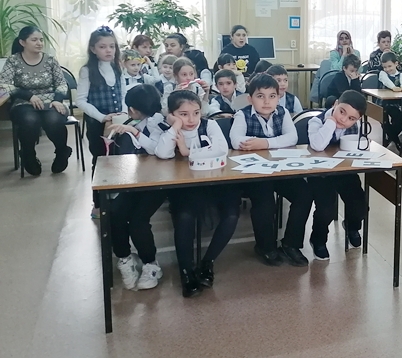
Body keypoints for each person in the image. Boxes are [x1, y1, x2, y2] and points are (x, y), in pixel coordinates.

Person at [155, 90, 236, 298]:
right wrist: (175, 126)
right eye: (183, 114)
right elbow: (162, 153)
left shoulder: (210, 125)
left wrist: (187, 151)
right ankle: (186, 271)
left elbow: (221, 150)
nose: (191, 120)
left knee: (231, 215)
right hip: (185, 185)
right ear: (171, 114)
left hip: (215, 182)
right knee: (185, 217)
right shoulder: (168, 129)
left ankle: (207, 262)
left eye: (196, 113)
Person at [230, 73, 313, 267]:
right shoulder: (242, 115)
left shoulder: (283, 113)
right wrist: (275, 142)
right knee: (265, 202)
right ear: (250, 99)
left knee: (305, 194)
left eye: (272, 96)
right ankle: (265, 247)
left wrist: (264, 143)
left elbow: (292, 138)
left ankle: (291, 244)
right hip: (255, 173)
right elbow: (236, 140)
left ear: (278, 97)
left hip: (281, 170)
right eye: (260, 96)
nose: (267, 101)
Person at [104, 84, 168, 290]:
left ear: (132, 109)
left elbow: (157, 150)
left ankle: (151, 264)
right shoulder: (135, 122)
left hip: (159, 180)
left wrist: (134, 132)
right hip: (135, 179)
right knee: (115, 213)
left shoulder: (160, 122)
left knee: (138, 220)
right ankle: (124, 258)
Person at [0, 26, 71, 175]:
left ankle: (62, 152)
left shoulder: (50, 60)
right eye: (34, 40)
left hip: (51, 101)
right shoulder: (13, 60)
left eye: (41, 40)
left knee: (54, 120)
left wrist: (58, 100)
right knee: (29, 121)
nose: (39, 43)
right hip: (23, 102)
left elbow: (61, 83)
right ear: (22, 42)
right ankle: (28, 155)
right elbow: (4, 84)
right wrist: (29, 96)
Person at [307, 90, 367, 260]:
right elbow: (318, 145)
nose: (344, 119)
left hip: (343, 172)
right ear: (335, 104)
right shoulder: (316, 121)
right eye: (341, 112)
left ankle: (351, 226)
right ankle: (318, 239)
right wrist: (330, 123)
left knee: (360, 204)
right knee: (326, 208)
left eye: (351, 118)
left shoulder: (355, 126)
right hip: (319, 173)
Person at [76, 26, 125, 175]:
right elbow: (80, 100)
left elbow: (123, 94)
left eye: (112, 46)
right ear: (93, 49)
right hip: (97, 123)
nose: (108, 50)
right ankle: (99, 189)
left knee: (119, 156)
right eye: (102, 47)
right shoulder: (87, 70)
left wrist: (123, 112)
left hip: (118, 121)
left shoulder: (118, 67)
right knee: (100, 158)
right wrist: (102, 117)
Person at [378, 51, 402, 152]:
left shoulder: (400, 75)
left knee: (400, 120)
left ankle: (390, 138)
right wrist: (394, 87)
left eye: (390, 66)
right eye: (385, 67)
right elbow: (387, 82)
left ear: (396, 64)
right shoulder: (382, 74)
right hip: (383, 103)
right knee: (383, 120)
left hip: (395, 104)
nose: (387, 69)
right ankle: (397, 141)